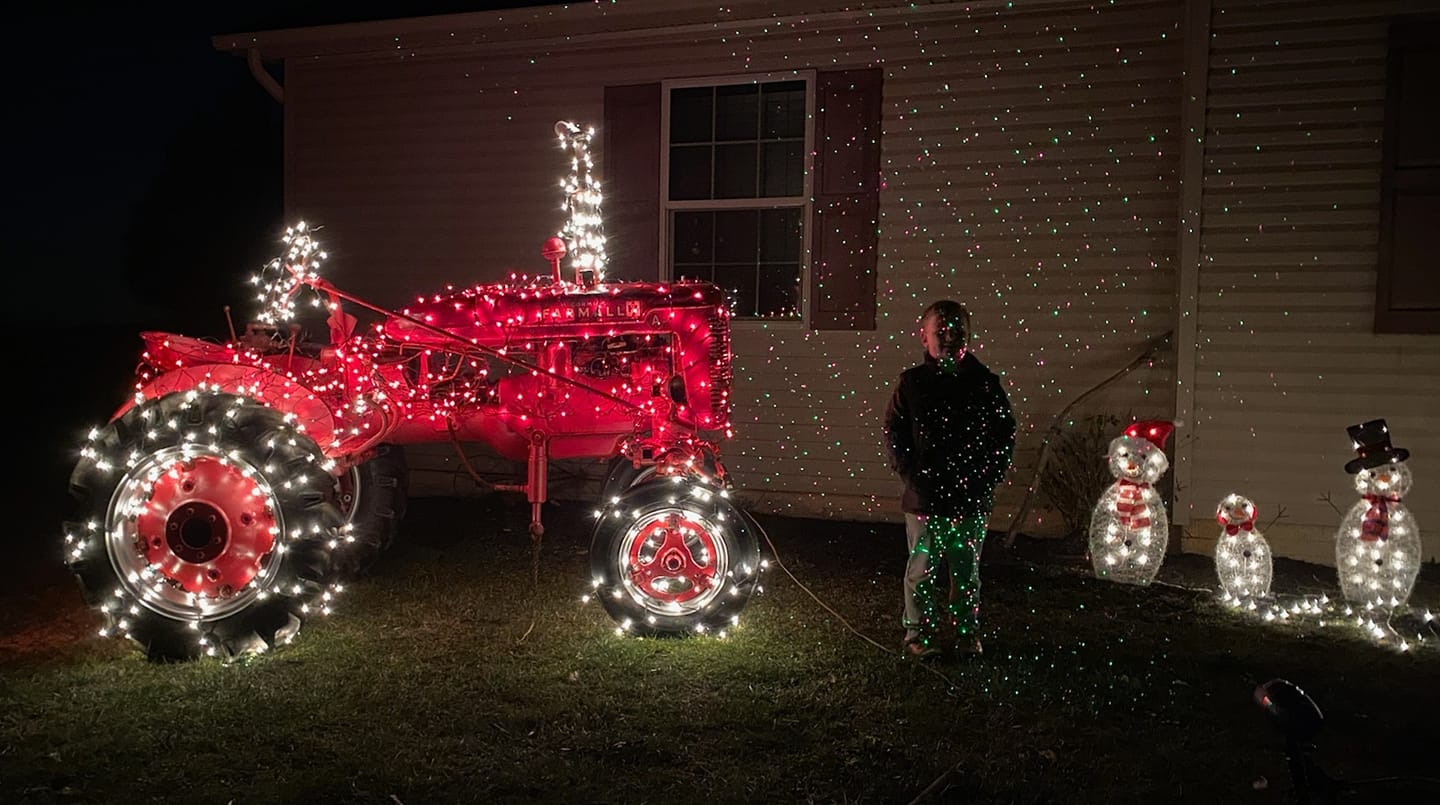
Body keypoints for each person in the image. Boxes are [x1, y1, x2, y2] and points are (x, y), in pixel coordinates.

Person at [883, 300, 1015, 659]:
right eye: (939, 331)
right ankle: (918, 635)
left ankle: (965, 634)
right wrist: (910, 472)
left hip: (971, 499)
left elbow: (1004, 433)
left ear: (969, 337)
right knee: (922, 571)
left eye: (956, 331)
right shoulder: (911, 384)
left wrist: (989, 477)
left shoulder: (985, 384)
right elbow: (894, 430)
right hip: (925, 498)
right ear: (923, 337)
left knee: (965, 571)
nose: (948, 337)